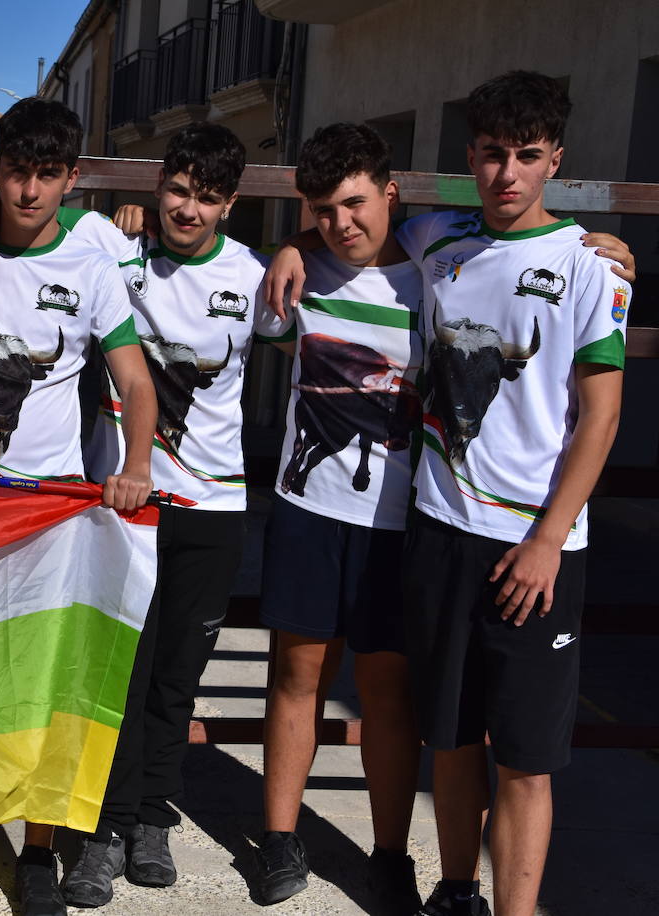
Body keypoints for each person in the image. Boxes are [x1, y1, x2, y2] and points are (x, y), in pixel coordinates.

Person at [267, 71, 631, 916]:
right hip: (437, 527)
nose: (508, 173)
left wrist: (548, 538)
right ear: (470, 157)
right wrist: (293, 239)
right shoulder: (437, 238)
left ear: (555, 162)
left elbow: (602, 418)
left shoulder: (590, 267)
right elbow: (345, 217)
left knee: (527, 758)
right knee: (454, 733)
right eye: (493, 154)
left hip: (536, 548)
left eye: (527, 157)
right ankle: (457, 889)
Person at [0, 122, 266, 909]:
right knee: (117, 672)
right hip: (122, 501)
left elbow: (353, 273)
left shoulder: (253, 277)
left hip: (214, 504)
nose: (187, 208)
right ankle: (102, 831)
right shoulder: (113, 249)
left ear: (229, 204)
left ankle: (152, 816)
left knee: (177, 677)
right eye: (177, 190)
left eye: (207, 197)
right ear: (158, 186)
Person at [0, 96, 157, 916]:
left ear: (71, 179)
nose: (29, 190)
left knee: (45, 683)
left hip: (54, 504)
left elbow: (132, 377)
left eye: (46, 174)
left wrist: (133, 465)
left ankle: (38, 850)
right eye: (16, 172)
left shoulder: (94, 266)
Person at [250, 122, 424, 912]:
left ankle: (390, 855)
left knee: (387, 691)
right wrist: (292, 242)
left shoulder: (436, 273)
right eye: (322, 211)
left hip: (404, 519)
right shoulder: (297, 275)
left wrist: (604, 244)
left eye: (355, 203)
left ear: (390, 192)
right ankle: (280, 840)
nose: (342, 223)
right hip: (306, 506)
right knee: (296, 674)